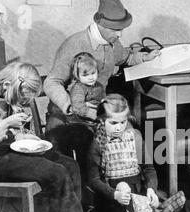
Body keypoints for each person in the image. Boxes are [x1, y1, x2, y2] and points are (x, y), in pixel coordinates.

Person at [43, 0, 160, 176]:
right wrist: (70, 106)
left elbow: (126, 57)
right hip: (67, 114)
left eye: (122, 29)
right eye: (116, 29)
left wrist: (145, 57)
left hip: (98, 113)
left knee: (132, 135)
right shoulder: (74, 43)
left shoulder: (112, 43)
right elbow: (51, 82)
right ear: (100, 24)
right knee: (83, 147)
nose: (120, 34)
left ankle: (136, 186)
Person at [0, 62, 88, 212]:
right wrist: (7, 123)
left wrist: (24, 137)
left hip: (3, 152)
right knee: (56, 172)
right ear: (7, 85)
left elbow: (10, 134)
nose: (20, 103)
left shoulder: (5, 91)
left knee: (70, 165)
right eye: (19, 98)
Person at [87, 94, 161, 212]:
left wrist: (151, 188)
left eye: (123, 122)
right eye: (113, 123)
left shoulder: (135, 136)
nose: (119, 127)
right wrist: (115, 195)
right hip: (112, 200)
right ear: (102, 120)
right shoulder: (96, 143)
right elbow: (94, 180)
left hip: (136, 197)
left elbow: (148, 168)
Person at [68, 52, 106, 131]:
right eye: (85, 75)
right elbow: (78, 108)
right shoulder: (78, 88)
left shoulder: (99, 86)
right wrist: (95, 115)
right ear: (77, 75)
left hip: (98, 118)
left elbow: (103, 100)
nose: (91, 77)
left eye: (93, 73)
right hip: (81, 120)